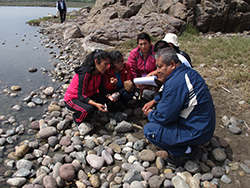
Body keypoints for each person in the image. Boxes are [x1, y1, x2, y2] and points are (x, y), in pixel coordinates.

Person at [142, 47, 215, 167]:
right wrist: (154, 101)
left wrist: (150, 114)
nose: (157, 71)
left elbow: (164, 117)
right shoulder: (188, 72)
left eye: (160, 67)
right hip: (204, 126)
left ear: (172, 64)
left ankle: (185, 152)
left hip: (197, 131)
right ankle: (188, 142)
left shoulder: (175, 82)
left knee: (150, 130)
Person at [64, 49, 115, 125]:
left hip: (88, 95)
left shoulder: (100, 72)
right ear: (96, 61)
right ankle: (77, 118)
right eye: (105, 64)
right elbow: (81, 95)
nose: (107, 67)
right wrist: (95, 104)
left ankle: (92, 112)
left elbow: (101, 88)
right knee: (88, 109)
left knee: (104, 99)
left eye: (108, 64)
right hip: (73, 98)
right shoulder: (86, 73)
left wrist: (109, 96)